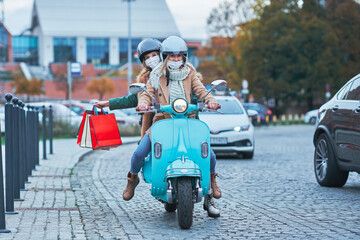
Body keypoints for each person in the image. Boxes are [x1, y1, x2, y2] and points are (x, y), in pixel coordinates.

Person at [123, 36, 222, 217]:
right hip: (163, 122)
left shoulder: (190, 73)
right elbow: (147, 93)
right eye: (172, 56)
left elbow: (201, 90)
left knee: (209, 155)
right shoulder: (156, 75)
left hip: (189, 121)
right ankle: (132, 179)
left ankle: (212, 181)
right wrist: (144, 103)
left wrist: (211, 100)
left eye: (179, 56)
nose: (176, 59)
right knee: (139, 152)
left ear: (184, 57)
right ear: (165, 56)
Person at [94, 38, 161, 138]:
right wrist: (107, 103)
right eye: (147, 58)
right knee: (139, 153)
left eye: (154, 55)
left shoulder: (171, 73)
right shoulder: (145, 79)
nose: (151, 59)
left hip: (174, 118)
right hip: (153, 122)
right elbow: (133, 99)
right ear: (144, 62)